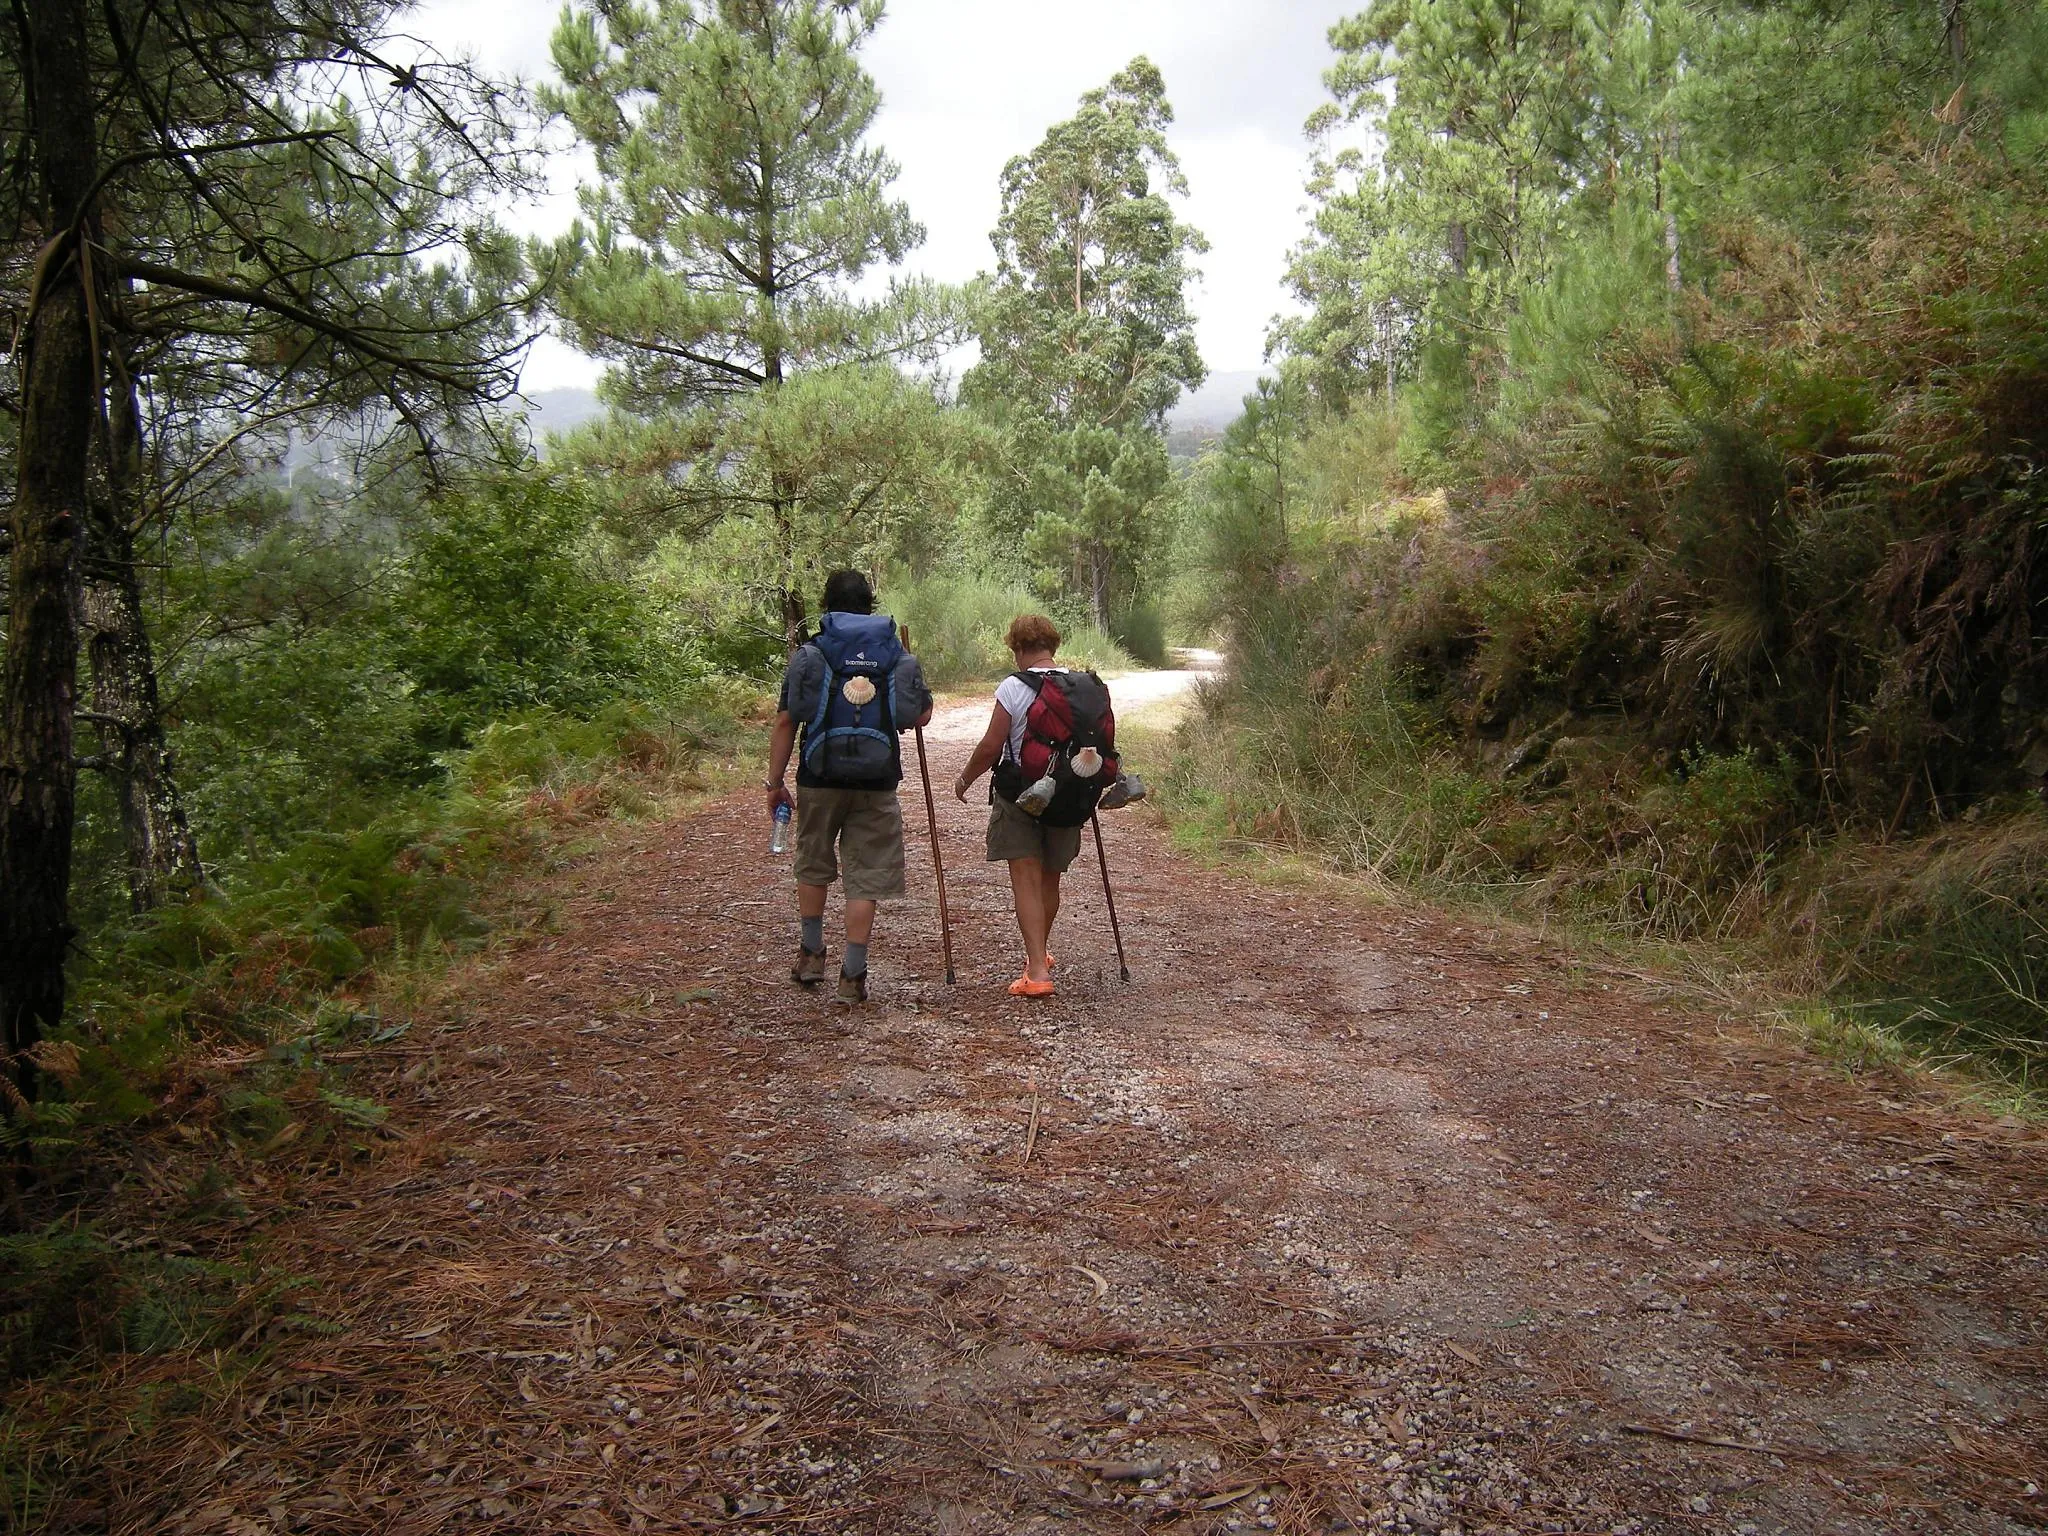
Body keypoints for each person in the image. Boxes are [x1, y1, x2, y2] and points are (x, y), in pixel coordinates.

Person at [766, 570, 933, 1005]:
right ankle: (853, 974)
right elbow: (919, 717)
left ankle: (811, 954)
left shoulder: (814, 651)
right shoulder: (892, 651)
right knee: (867, 874)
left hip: (818, 776)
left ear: (827, 604)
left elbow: (787, 719)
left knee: (814, 861)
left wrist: (774, 782)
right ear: (869, 603)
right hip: (877, 781)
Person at [953, 613, 1093, 998]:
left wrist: (965, 779)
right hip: (1067, 795)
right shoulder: (1080, 686)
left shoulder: (1013, 687)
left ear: (1017, 648)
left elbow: (990, 746)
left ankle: (1036, 972)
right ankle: (1038, 954)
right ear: (1053, 645)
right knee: (1049, 879)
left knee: (1026, 880)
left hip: (1020, 795)